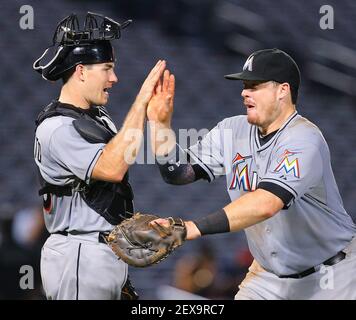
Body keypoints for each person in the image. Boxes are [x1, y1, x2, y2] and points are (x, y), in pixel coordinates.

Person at [147, 48, 356, 299]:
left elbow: (266, 203)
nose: (245, 91)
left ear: (283, 90)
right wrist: (159, 126)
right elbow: (178, 172)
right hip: (268, 277)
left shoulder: (304, 138)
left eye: (255, 85)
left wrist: (189, 228)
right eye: (245, 84)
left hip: (332, 276)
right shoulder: (232, 129)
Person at [33, 12, 167, 300]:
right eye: (107, 68)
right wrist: (141, 103)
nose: (114, 78)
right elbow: (113, 168)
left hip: (98, 252)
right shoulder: (57, 127)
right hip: (79, 254)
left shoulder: (97, 118)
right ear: (81, 71)